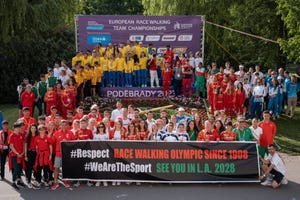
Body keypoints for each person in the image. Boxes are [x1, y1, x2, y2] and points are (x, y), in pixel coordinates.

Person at [51, 120, 75, 190]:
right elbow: (52, 142)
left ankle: (65, 180)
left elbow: (74, 143)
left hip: (67, 154)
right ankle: (55, 182)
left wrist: (67, 142)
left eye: (65, 125)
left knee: (65, 168)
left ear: (67, 126)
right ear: (60, 126)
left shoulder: (70, 133)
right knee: (56, 168)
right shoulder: (56, 133)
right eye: (62, 125)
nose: (64, 126)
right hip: (58, 153)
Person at [9, 122, 26, 190]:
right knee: (15, 169)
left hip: (21, 155)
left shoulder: (21, 135)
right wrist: (17, 153)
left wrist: (23, 152)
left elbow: (24, 144)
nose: (19, 129)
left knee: (19, 169)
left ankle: (19, 181)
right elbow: (11, 146)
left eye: (20, 127)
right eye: (18, 128)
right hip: (14, 155)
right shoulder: (12, 136)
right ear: (14, 128)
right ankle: (13, 182)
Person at [24, 124, 38, 189]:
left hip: (36, 153)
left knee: (36, 167)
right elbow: (25, 146)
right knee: (29, 168)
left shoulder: (37, 136)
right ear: (30, 129)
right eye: (32, 128)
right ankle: (29, 181)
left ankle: (36, 180)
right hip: (29, 153)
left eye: (34, 128)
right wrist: (26, 155)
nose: (33, 129)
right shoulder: (28, 136)